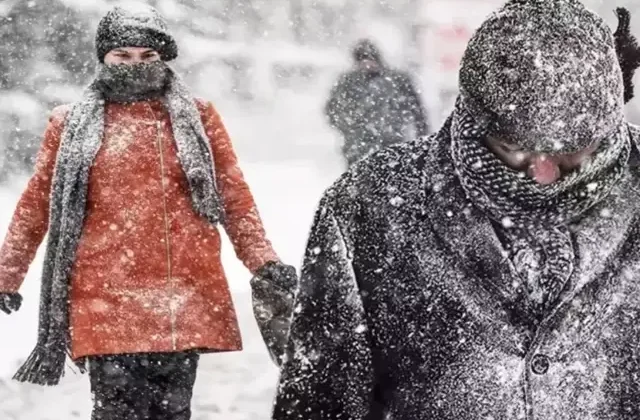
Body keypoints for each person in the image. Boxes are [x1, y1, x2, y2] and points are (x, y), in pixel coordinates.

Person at [273, 2, 640, 419]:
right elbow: (323, 397)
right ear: (473, 117)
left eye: (572, 152)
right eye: (512, 148)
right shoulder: (369, 204)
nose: (542, 175)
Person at [0, 3, 296, 419]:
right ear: (103, 57)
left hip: (183, 296)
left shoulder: (198, 118)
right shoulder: (69, 126)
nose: (134, 66)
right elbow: (36, 205)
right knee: (117, 411)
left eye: (147, 57)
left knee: (172, 413)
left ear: (163, 58)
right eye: (122, 56)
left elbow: (233, 196)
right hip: (106, 298)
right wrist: (6, 275)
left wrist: (262, 260)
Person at [324, 39, 429, 167]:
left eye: (370, 58)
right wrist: (349, 128)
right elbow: (332, 110)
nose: (367, 64)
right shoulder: (347, 82)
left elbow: (417, 111)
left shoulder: (398, 80)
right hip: (358, 150)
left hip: (392, 148)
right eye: (362, 59)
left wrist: (422, 139)